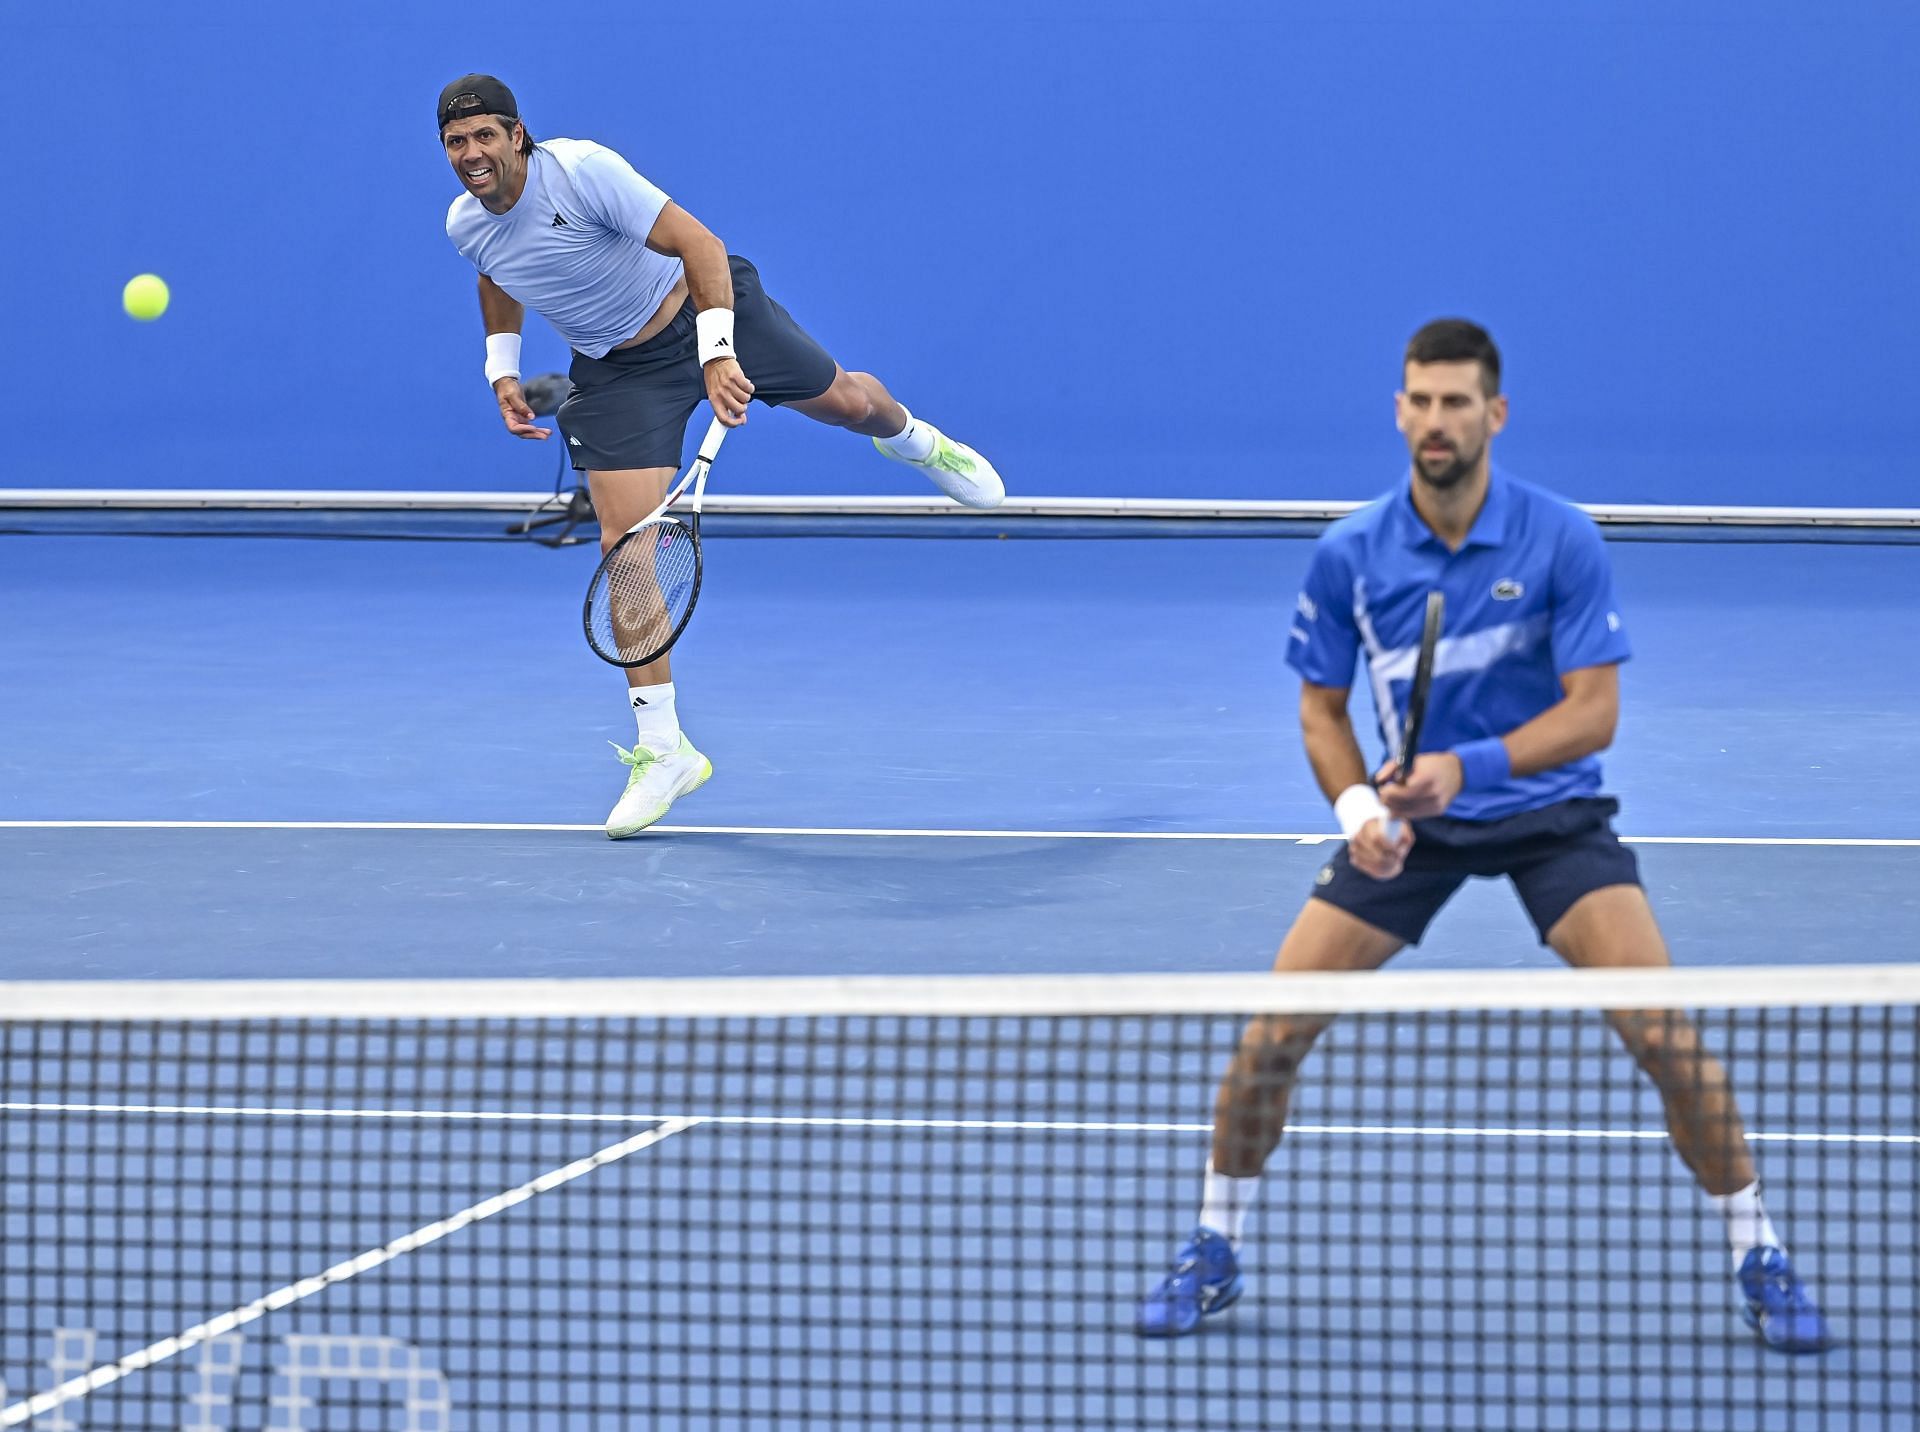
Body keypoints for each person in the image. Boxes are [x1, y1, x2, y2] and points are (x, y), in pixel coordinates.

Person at [1134, 319, 1830, 1354]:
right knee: (1270, 1037)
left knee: (1668, 1041)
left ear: (1493, 414)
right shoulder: (1352, 554)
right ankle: (1212, 1242)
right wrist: (1360, 814)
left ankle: (1758, 1251)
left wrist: (1473, 767)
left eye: (1456, 401)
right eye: (1418, 399)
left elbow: (1595, 713)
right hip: (1411, 829)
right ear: (1400, 409)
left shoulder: (1561, 538)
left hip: (1550, 815)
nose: (1434, 420)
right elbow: (1322, 712)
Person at [437, 75, 1005, 837]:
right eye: (454, 142)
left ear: (517, 135)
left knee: (845, 403)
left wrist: (717, 352)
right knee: (627, 548)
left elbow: (698, 244)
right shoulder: (466, 224)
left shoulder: (582, 171)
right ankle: (664, 748)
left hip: (701, 308)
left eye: (484, 136)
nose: (471, 153)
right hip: (615, 373)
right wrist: (501, 367)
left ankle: (913, 438)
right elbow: (498, 272)